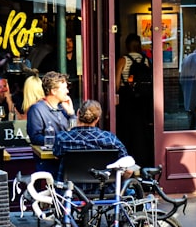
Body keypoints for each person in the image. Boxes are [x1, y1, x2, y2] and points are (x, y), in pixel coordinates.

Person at [52, 100, 134, 186]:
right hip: (104, 191)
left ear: (78, 113)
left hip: (71, 191)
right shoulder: (110, 139)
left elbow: (56, 154)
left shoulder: (62, 138)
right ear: (98, 118)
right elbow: (128, 169)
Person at [114, 33, 152, 166]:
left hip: (127, 99)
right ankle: (141, 158)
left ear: (127, 45)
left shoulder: (123, 59)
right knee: (140, 130)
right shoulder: (145, 60)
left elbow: (117, 84)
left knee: (126, 129)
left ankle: (127, 157)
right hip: (142, 100)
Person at [26, 70, 77, 147]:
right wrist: (60, 140)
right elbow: (35, 138)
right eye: (64, 88)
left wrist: (71, 114)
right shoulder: (37, 109)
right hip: (48, 157)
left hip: (67, 155)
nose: (67, 91)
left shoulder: (64, 108)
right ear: (53, 91)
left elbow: (76, 134)